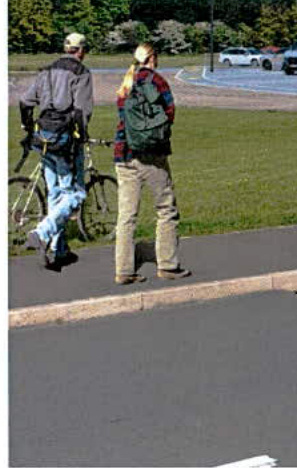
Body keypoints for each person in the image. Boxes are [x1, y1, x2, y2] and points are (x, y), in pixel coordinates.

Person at [112, 42, 190, 284]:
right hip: (151, 156)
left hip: (123, 154)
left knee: (127, 216)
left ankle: (124, 270)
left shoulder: (126, 82)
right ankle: (168, 264)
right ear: (152, 58)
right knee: (166, 208)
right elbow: (169, 112)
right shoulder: (157, 81)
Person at [18, 32, 96, 270]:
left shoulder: (47, 71)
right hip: (65, 140)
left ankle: (58, 249)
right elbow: (82, 111)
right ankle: (42, 233)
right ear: (81, 50)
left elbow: (25, 102)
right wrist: (82, 136)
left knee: (54, 193)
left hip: (43, 137)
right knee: (76, 194)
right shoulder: (81, 73)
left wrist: (28, 125)